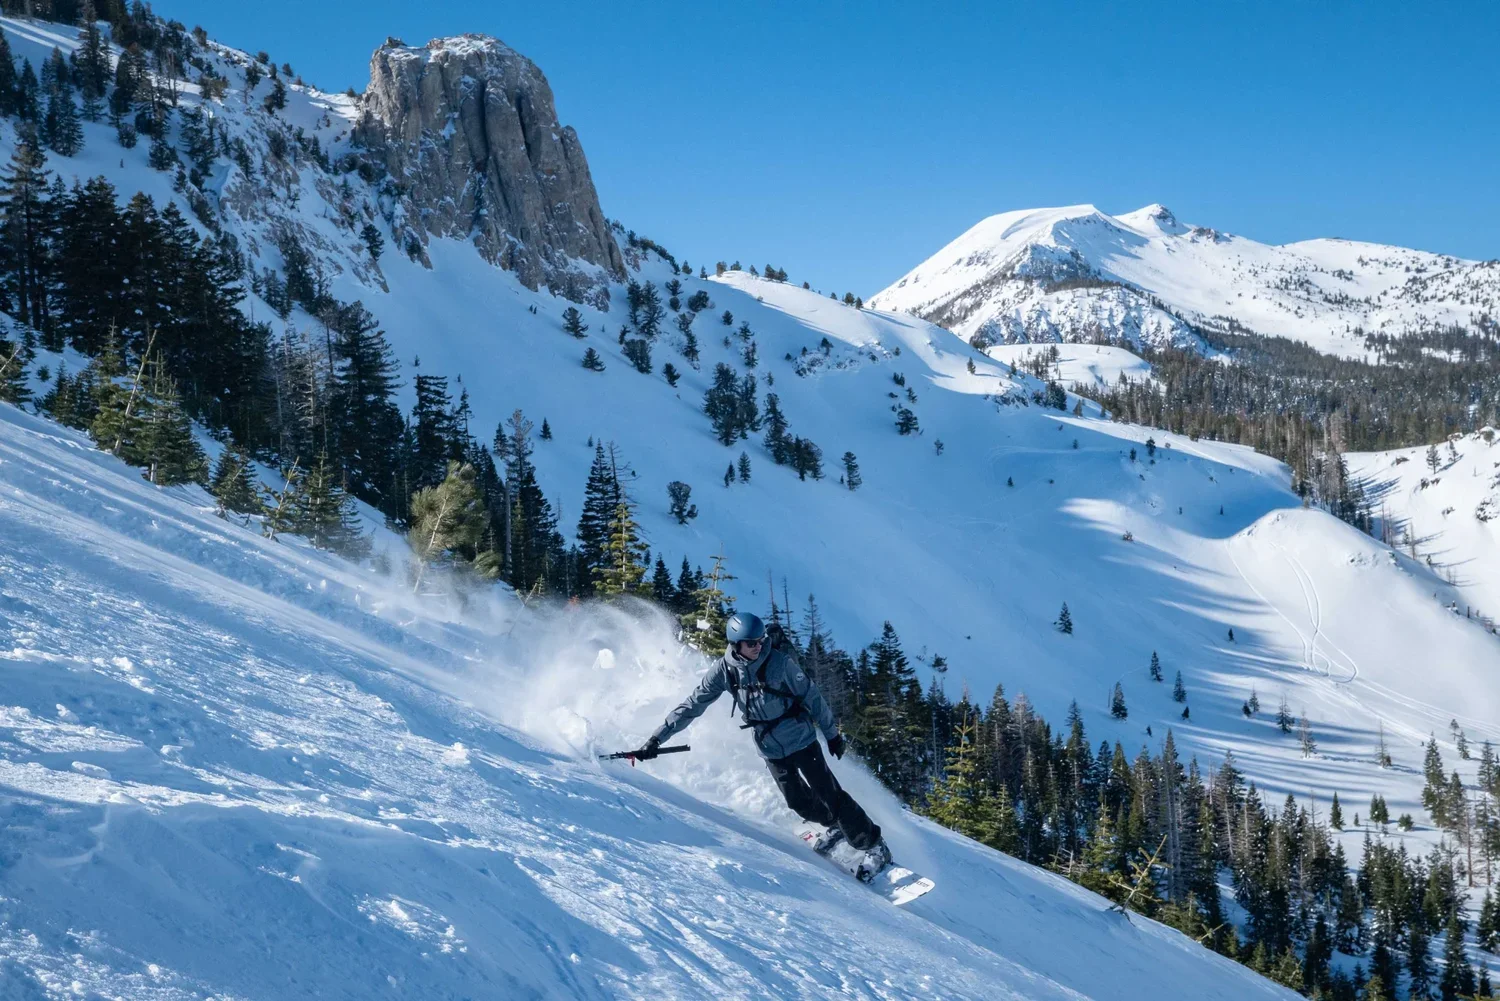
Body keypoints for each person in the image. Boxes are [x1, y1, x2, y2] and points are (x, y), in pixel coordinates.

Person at [635, 612, 889, 870]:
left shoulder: (780, 663)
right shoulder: (724, 672)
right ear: (736, 645)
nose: (758, 646)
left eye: (760, 640)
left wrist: (832, 735)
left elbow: (812, 697)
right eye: (751, 643)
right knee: (797, 802)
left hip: (800, 738)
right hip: (769, 747)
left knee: (830, 795)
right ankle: (833, 827)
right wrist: (657, 738)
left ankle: (873, 845)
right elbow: (693, 705)